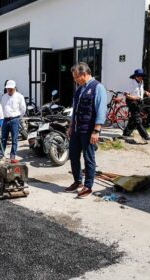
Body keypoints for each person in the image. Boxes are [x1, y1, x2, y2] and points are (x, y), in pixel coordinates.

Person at [65, 62, 107, 199]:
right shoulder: (80, 89)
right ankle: (77, 181)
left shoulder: (98, 87)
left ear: (84, 74)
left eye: (77, 77)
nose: (75, 80)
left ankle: (88, 186)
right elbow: (74, 110)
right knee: (73, 155)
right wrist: (71, 126)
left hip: (88, 130)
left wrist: (97, 130)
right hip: (77, 129)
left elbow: (101, 110)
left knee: (89, 158)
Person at [123, 69, 150, 141]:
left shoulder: (141, 82)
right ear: (135, 76)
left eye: (142, 76)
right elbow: (126, 94)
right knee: (137, 120)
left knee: (133, 119)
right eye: (139, 76)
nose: (141, 77)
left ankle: (126, 133)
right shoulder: (131, 83)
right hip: (132, 102)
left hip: (139, 102)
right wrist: (134, 97)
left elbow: (140, 90)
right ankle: (145, 136)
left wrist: (146, 92)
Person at [0, 80, 26, 162]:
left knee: (14, 139)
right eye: (8, 89)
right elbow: (2, 108)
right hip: (5, 120)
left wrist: (18, 118)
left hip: (15, 120)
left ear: (14, 88)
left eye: (11, 89)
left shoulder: (19, 96)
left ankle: (12, 155)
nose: (9, 90)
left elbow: (23, 109)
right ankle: (1, 155)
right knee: (3, 139)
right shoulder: (4, 97)